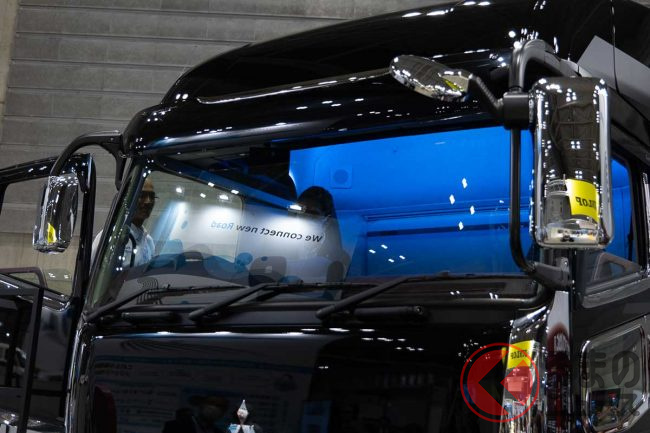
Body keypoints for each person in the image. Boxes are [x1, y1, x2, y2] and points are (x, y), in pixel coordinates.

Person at [91, 176, 156, 267]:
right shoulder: (110, 237)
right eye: (142, 196)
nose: (148, 201)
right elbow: (92, 271)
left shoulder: (148, 242)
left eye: (152, 197)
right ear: (127, 198)